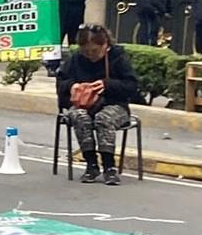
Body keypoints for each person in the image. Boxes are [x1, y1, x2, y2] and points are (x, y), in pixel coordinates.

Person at [56, 23, 139, 186]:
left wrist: (107, 85)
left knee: (104, 118)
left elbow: (132, 86)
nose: (90, 55)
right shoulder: (76, 60)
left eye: (94, 51)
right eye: (86, 51)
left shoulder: (118, 57)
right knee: (79, 116)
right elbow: (61, 84)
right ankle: (91, 164)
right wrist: (72, 86)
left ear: (105, 45)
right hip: (83, 106)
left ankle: (109, 167)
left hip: (114, 104)